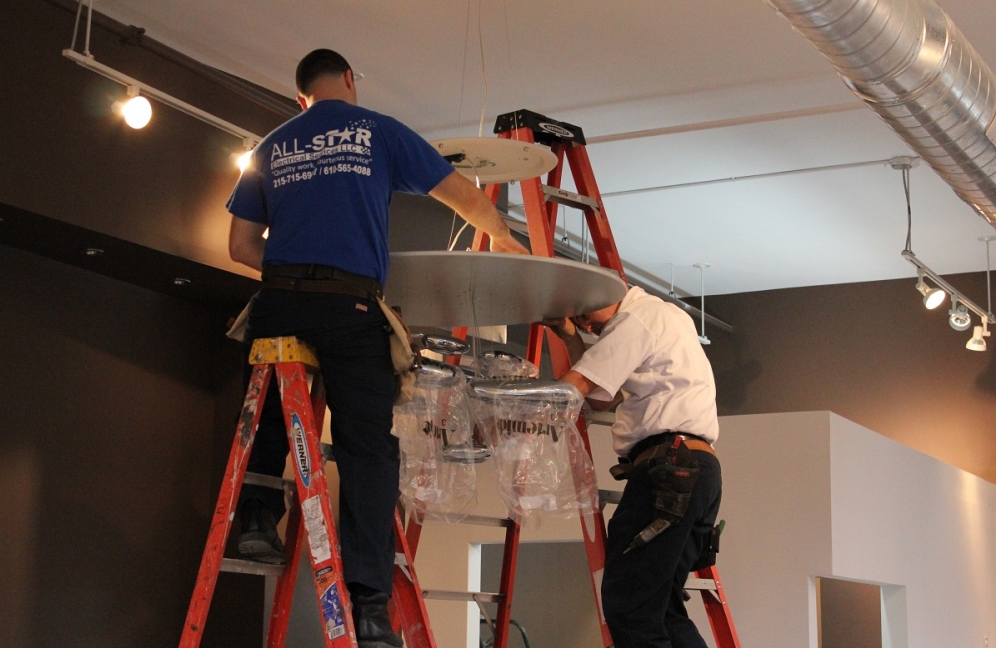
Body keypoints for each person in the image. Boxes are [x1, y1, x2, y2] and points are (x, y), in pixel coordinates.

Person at [225, 48, 528, 648]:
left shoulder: (271, 146)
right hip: (350, 307)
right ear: (349, 82)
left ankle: (256, 518)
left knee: (267, 418)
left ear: (300, 97)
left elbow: (238, 245)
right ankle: (367, 605)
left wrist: (290, 271)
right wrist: (504, 241)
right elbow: (465, 198)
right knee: (368, 448)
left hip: (279, 303)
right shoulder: (377, 131)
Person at [544, 286, 722, 648]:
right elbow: (603, 394)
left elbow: (579, 386)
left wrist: (514, 413)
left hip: (671, 468)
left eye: (584, 316)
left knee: (630, 607)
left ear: (602, 293)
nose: (586, 327)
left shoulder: (637, 318)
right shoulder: (661, 318)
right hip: (694, 469)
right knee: (662, 609)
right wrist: (569, 336)